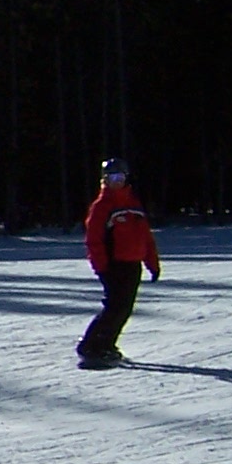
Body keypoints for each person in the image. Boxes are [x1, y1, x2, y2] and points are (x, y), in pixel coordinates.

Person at [78, 158, 161, 369]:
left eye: (120, 177)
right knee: (115, 307)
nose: (117, 182)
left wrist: (152, 263)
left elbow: (145, 237)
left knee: (124, 308)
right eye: (112, 178)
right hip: (113, 265)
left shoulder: (133, 204)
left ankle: (106, 345)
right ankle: (91, 345)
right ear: (104, 180)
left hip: (133, 264)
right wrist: (101, 266)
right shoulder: (102, 206)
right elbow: (93, 239)